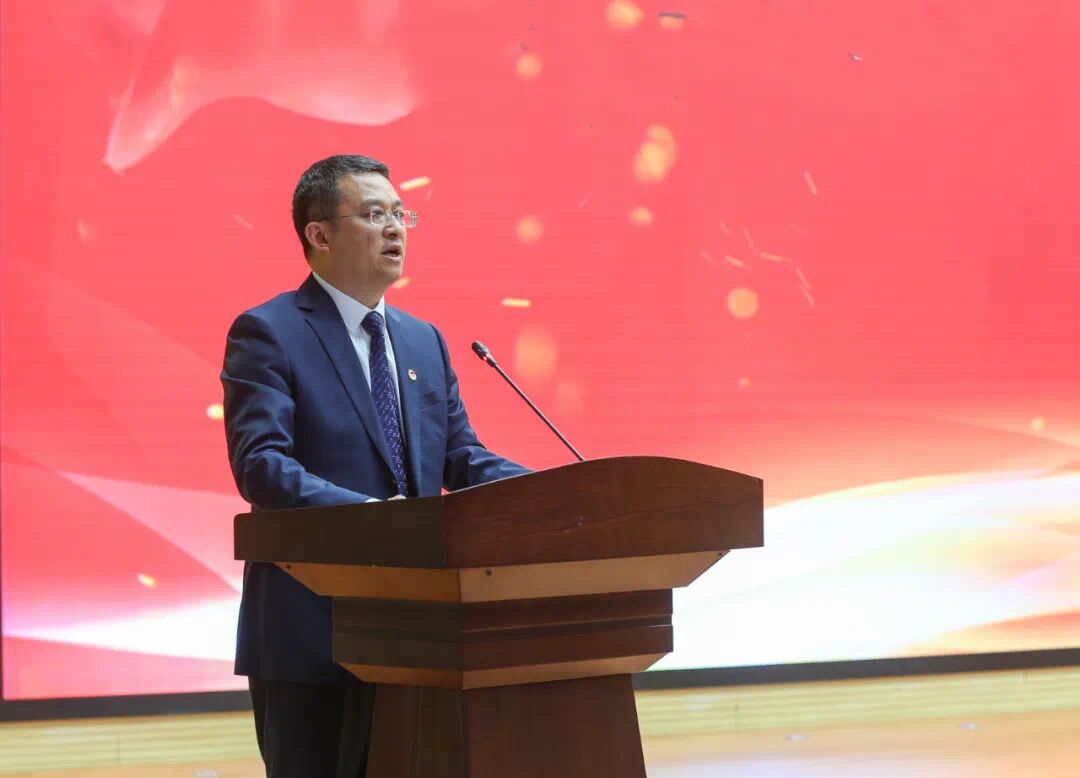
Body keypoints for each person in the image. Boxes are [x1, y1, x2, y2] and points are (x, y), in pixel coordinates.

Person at [220, 154, 529, 777]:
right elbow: (261, 465)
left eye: (400, 214)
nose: (395, 229)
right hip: (310, 633)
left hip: (417, 634)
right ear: (319, 234)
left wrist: (557, 493)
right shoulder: (269, 331)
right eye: (373, 214)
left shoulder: (422, 340)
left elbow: (461, 458)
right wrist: (369, 517)